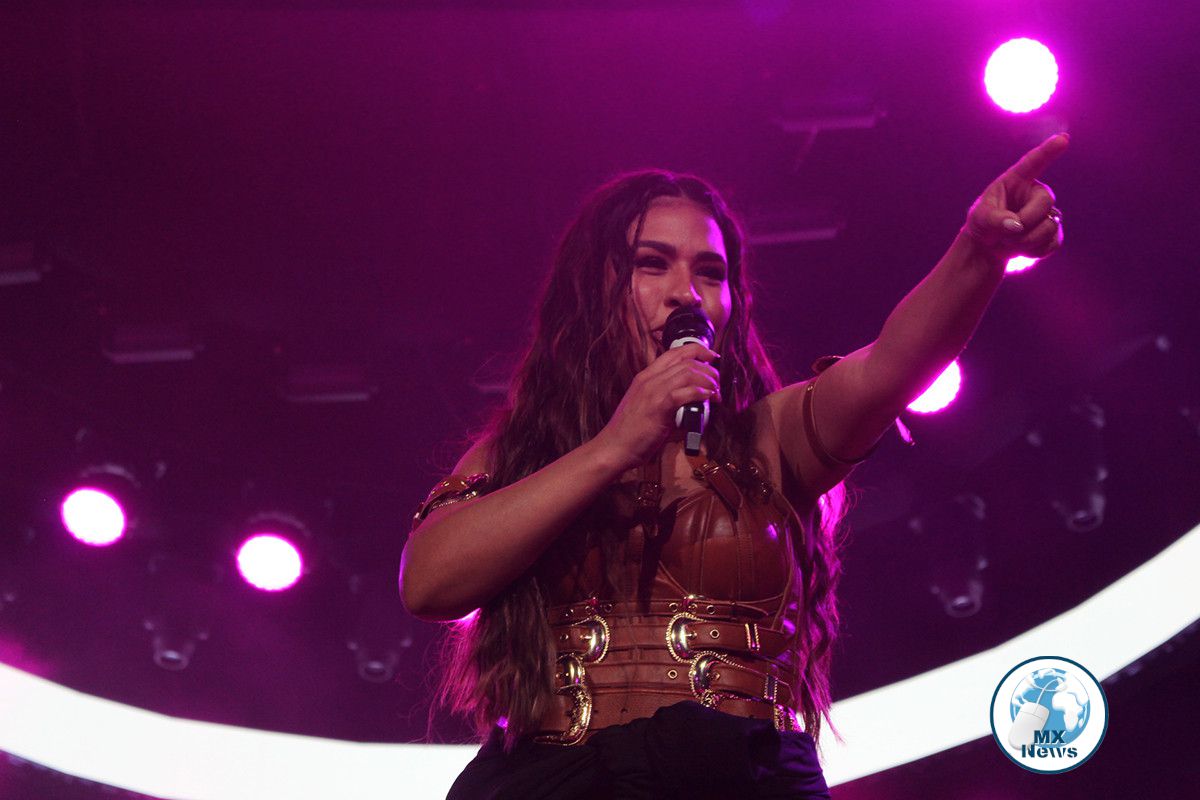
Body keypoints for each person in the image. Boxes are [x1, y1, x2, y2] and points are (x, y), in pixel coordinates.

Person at [399, 134, 1068, 799]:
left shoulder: (771, 438)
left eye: (711, 273)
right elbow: (428, 584)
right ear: (591, 290)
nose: (686, 294)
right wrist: (614, 446)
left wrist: (979, 251)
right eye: (651, 264)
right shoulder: (520, 453)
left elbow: (890, 367)